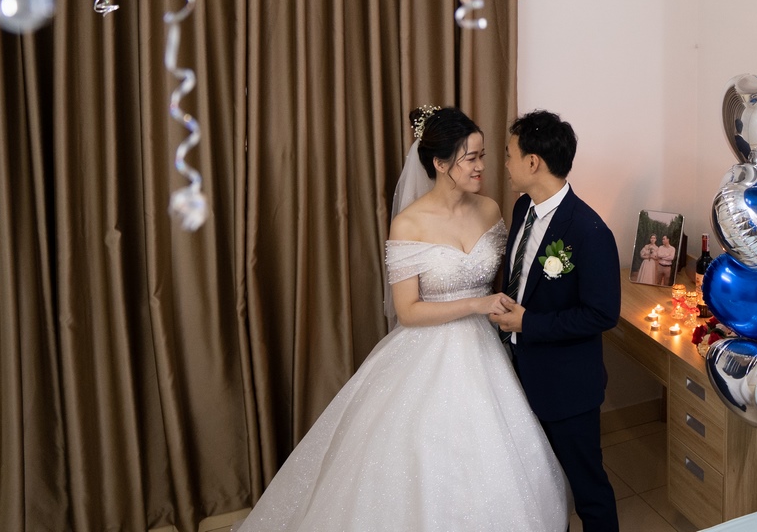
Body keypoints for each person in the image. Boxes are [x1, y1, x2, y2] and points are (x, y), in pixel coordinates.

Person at [238, 107, 567, 531]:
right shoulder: (408, 223)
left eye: (484, 155)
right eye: (471, 158)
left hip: (488, 351)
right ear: (440, 164)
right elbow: (408, 310)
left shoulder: (490, 210)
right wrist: (476, 305)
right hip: (426, 350)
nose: (482, 167)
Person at [493, 110, 622, 532]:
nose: (505, 164)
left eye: (509, 154)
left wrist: (530, 324)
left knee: (588, 489)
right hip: (518, 373)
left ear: (533, 162)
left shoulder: (589, 231)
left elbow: (602, 313)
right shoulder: (522, 208)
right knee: (537, 484)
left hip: (566, 387)